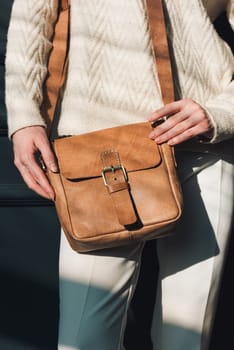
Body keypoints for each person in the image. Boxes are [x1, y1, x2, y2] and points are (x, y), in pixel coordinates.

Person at [5, 0, 234, 349]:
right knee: (83, 340)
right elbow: (30, 22)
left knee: (187, 342)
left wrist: (224, 111)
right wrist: (23, 116)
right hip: (99, 154)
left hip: (201, 142)